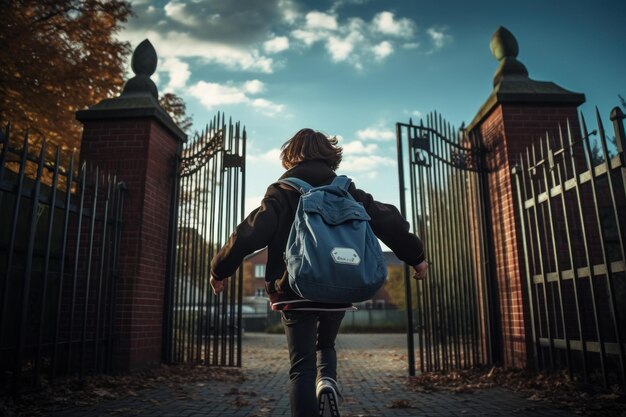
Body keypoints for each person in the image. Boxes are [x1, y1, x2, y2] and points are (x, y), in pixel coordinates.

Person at [210, 128, 428, 417]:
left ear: (291, 157)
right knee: (326, 343)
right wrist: (417, 257)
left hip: (295, 290)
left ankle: (313, 392)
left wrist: (220, 269)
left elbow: (248, 234)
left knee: (301, 366)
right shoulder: (347, 190)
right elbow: (388, 220)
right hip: (339, 287)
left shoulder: (281, 192)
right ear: (330, 156)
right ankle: (327, 381)